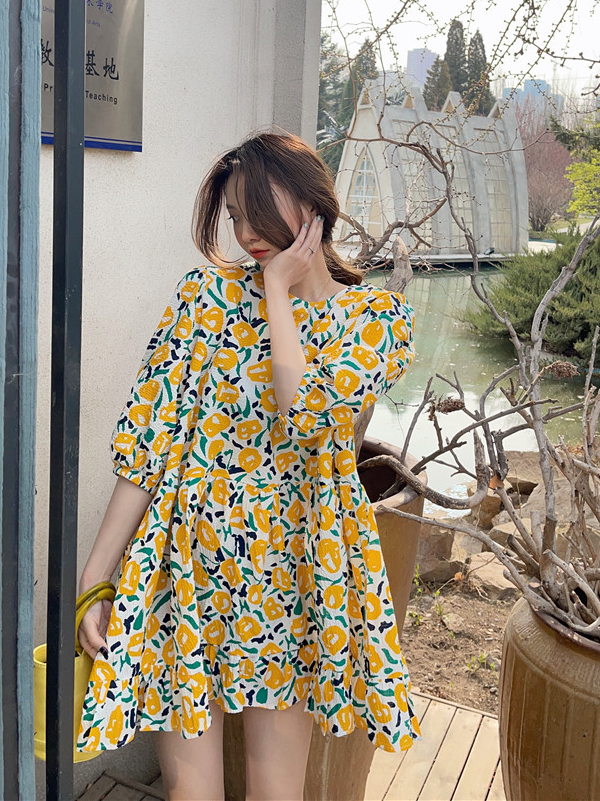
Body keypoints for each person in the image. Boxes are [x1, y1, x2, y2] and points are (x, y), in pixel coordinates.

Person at [76, 130, 419, 801]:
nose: (247, 232)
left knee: (274, 790)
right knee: (191, 792)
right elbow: (149, 437)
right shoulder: (204, 298)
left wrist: (278, 290)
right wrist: (96, 576)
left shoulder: (375, 320)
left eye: (259, 210)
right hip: (188, 566)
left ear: (316, 204)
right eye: (235, 215)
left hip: (292, 573)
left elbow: (306, 414)